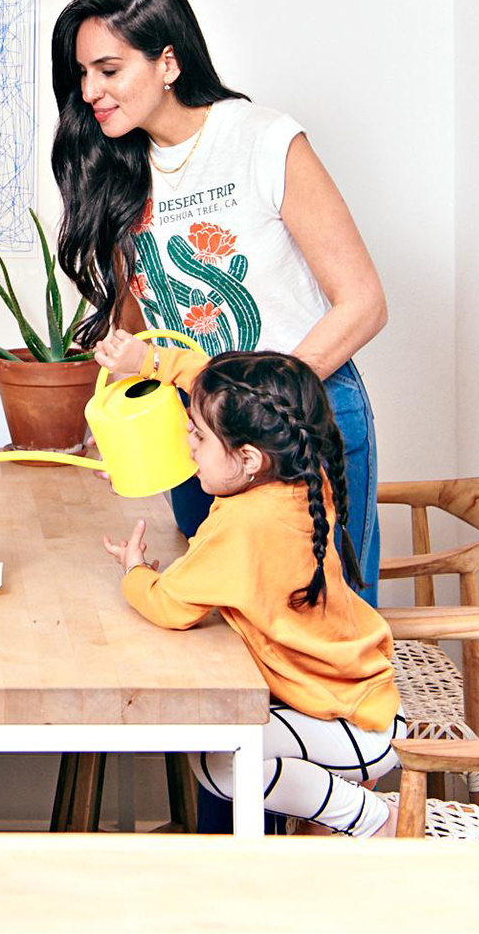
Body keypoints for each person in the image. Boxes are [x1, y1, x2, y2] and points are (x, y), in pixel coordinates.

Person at [51, 0, 386, 604]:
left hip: (303, 416)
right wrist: (120, 389)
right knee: (217, 621)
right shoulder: (121, 168)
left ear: (167, 62)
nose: (90, 90)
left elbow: (364, 303)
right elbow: (140, 303)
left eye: (109, 69)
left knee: (324, 620)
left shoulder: (261, 140)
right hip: (198, 430)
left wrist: (256, 405)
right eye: (84, 75)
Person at [107, 346, 403, 837]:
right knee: (227, 755)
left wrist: (135, 570)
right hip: (361, 700)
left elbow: (170, 605)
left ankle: (372, 819)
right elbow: (225, 391)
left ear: (248, 457)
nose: (189, 445)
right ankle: (343, 814)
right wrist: (158, 363)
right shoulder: (299, 481)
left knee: (219, 763)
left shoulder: (247, 522)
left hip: (351, 725)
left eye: (198, 436)